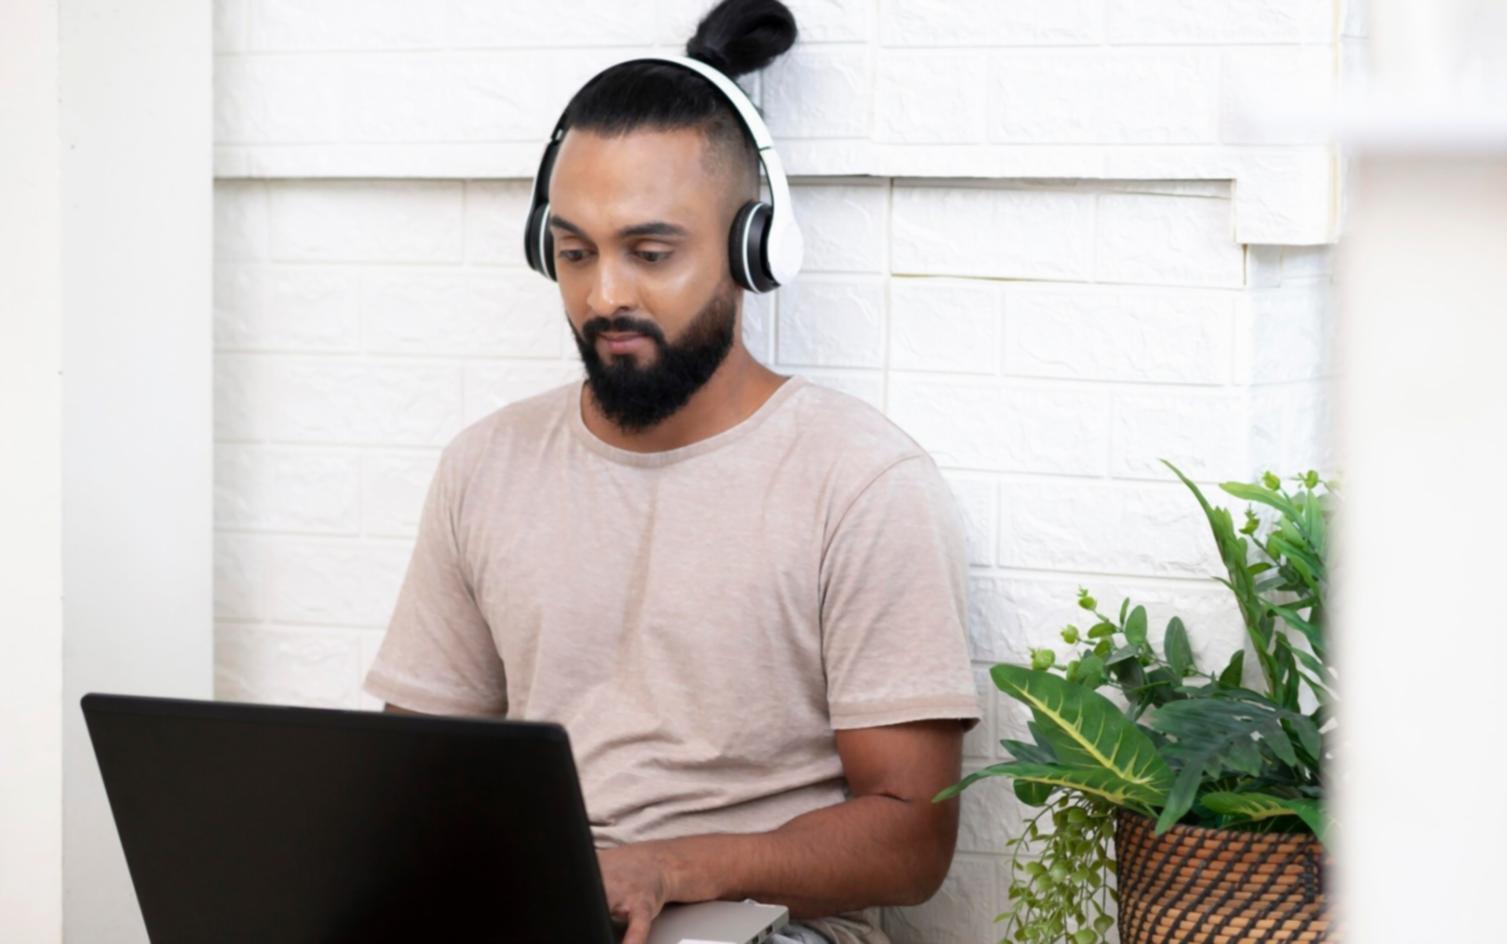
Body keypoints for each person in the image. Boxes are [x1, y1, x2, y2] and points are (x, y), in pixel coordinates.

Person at [361, 2, 980, 942]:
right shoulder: (485, 466)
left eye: (650, 253)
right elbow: (416, 773)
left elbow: (910, 843)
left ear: (752, 250)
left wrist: (670, 868)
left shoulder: (858, 479)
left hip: (767, 926)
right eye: (575, 253)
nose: (605, 293)